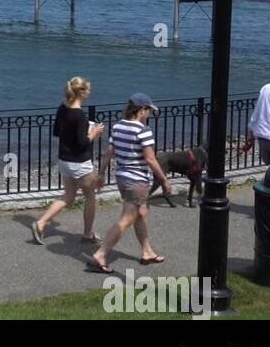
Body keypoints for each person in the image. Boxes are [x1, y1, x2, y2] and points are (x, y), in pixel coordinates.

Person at [88, 93, 172, 274]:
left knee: (140, 213)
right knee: (127, 219)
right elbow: (150, 159)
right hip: (137, 181)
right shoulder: (143, 130)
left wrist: (101, 174)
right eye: (148, 110)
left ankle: (147, 251)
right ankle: (101, 254)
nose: (149, 113)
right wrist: (164, 180)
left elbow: (109, 152)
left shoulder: (118, 126)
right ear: (141, 110)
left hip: (122, 177)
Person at [31, 77, 105, 245]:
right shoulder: (79, 115)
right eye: (88, 90)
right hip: (80, 162)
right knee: (90, 196)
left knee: (69, 196)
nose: (90, 93)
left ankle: (41, 223)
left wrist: (78, 132)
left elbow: (57, 131)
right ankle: (87, 234)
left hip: (64, 159)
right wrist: (94, 133)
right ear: (81, 92)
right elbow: (82, 143)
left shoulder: (63, 107)